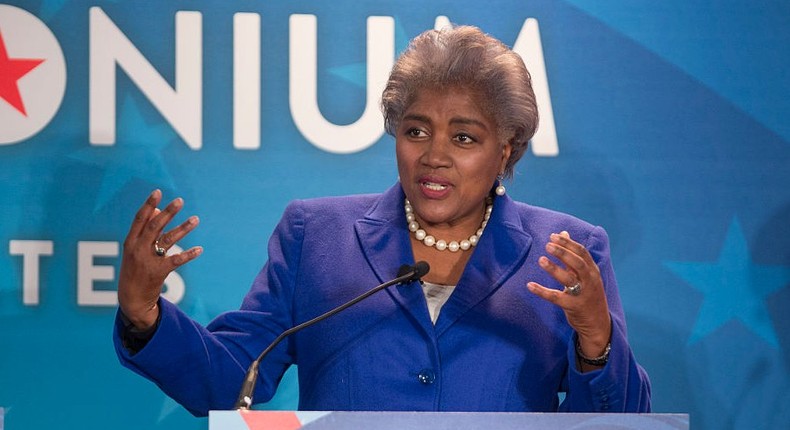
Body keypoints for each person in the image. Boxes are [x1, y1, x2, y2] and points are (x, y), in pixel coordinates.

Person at [114, 25, 651, 416]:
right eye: (416, 131)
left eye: (463, 138)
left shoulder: (565, 250)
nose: (433, 155)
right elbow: (229, 383)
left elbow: (619, 419)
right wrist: (144, 315)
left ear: (507, 148)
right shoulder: (315, 236)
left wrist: (595, 339)